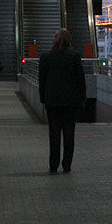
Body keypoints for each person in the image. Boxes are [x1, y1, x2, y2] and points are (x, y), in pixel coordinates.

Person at [38, 28, 86, 173]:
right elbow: (80, 79)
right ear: (69, 40)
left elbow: (42, 80)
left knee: (54, 134)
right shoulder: (74, 56)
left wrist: (43, 98)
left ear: (55, 40)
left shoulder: (46, 57)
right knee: (69, 134)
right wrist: (82, 97)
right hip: (71, 102)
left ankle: (53, 165)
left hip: (52, 102)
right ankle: (67, 165)